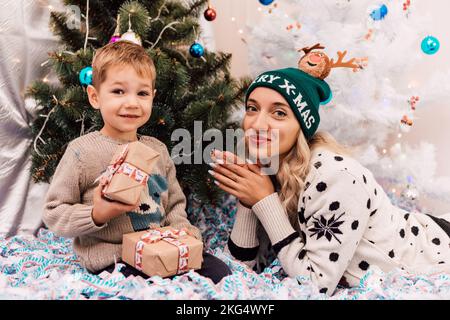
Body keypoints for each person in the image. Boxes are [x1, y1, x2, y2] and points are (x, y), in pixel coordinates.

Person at [209, 67, 450, 295]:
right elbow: (238, 270)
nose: (257, 124)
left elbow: (316, 286)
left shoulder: (336, 177)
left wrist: (264, 200)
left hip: (434, 250)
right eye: (252, 108)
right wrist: (248, 196)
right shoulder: (272, 163)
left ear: (301, 126)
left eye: (279, 112)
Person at [43, 40, 231, 284]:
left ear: (152, 97)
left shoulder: (157, 150)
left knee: (220, 274)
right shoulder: (82, 152)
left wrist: (184, 235)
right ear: (95, 96)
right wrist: (97, 214)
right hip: (114, 258)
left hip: (162, 251)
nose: (132, 103)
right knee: (146, 288)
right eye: (118, 91)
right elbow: (54, 212)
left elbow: (174, 204)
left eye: (142, 93)